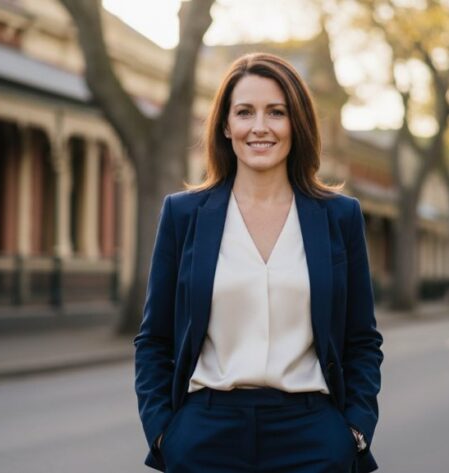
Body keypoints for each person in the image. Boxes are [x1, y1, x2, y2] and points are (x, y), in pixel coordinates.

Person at [134, 52, 383, 473]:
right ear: (226, 126)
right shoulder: (184, 215)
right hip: (205, 437)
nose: (260, 127)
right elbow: (154, 339)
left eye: (276, 112)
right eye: (245, 112)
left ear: (296, 124)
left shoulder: (340, 217)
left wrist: (354, 431)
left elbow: (362, 340)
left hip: (312, 437)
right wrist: (164, 431)